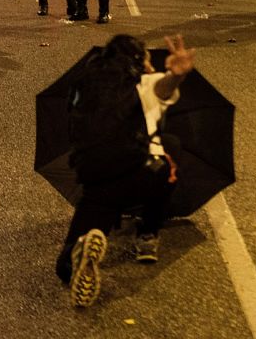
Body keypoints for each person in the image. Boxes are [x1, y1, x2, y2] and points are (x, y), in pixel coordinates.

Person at [55, 34, 196, 308]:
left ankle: (79, 253)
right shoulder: (142, 84)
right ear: (136, 62)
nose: (150, 65)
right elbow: (162, 87)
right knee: (169, 157)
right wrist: (176, 75)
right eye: (146, 60)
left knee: (64, 264)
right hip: (140, 174)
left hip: (97, 183)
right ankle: (148, 232)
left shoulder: (84, 90)